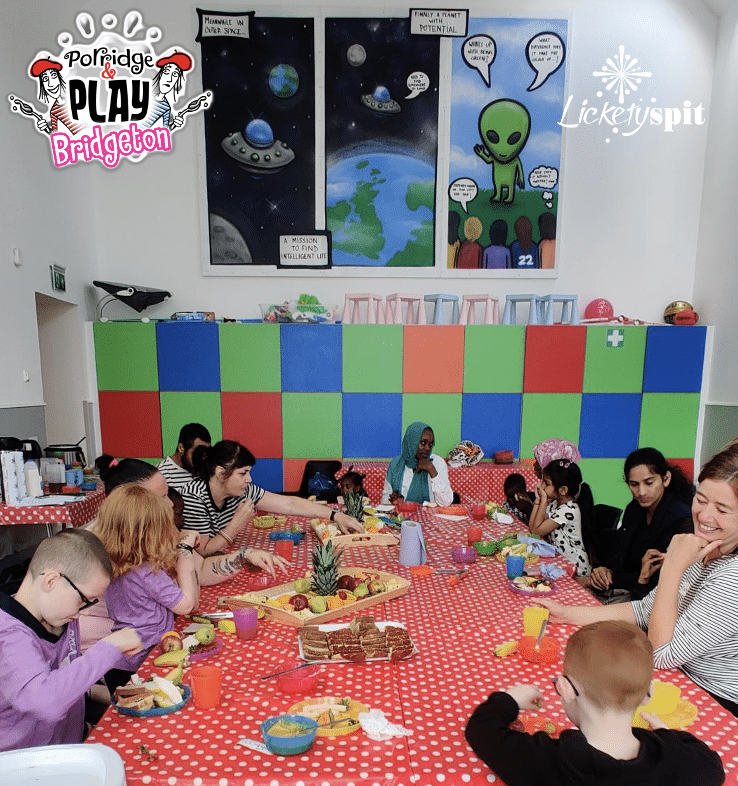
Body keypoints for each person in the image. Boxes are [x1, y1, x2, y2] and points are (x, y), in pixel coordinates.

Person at [535, 442, 738, 717]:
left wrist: (672, 567)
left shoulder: (731, 577)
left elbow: (661, 654)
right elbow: (644, 609)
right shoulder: (703, 547)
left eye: (722, 509)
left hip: (714, 701)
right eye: (701, 500)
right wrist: (567, 613)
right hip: (679, 678)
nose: (704, 515)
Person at [465, 620, 725, 786]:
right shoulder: (681, 764)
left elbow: (481, 730)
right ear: (649, 693)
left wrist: (509, 699)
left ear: (565, 689)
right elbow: (713, 766)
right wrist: (665, 734)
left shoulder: (551, 762)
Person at [0, 529, 142, 751]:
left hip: (70, 743)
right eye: (83, 600)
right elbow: (46, 703)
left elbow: (66, 676)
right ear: (51, 581)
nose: (81, 613)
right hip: (28, 762)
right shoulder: (8, 635)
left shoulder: (60, 616)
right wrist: (109, 647)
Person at [94, 484, 200, 690]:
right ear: (150, 533)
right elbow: (187, 606)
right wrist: (185, 562)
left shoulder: (113, 564)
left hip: (119, 662)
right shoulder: (147, 572)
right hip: (141, 662)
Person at [181, 440, 363, 556]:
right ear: (221, 474)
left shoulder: (242, 490)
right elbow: (203, 551)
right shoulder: (194, 496)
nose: (249, 479)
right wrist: (237, 522)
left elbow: (289, 504)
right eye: (243, 473)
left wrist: (336, 515)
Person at [586, 448, 693, 600]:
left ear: (666, 479)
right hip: (629, 588)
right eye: (634, 484)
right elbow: (622, 554)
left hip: (655, 598)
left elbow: (657, 579)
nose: (641, 492)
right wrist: (604, 570)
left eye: (649, 483)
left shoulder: (680, 519)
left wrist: (613, 578)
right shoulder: (635, 509)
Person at [529, 459, 592, 577]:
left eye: (546, 483)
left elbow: (537, 531)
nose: (541, 486)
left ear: (563, 490)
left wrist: (543, 501)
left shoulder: (568, 510)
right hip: (561, 562)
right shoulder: (555, 504)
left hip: (575, 569)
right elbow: (533, 528)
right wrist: (538, 500)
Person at [381, 422, 453, 506]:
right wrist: (395, 502)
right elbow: (385, 501)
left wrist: (432, 470)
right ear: (411, 442)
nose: (427, 448)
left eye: (430, 444)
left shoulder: (437, 463)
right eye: (423, 443)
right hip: (401, 514)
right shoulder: (396, 465)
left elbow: (446, 502)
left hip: (430, 514)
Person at [157, 422, 212, 490]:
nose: (201, 458)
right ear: (181, 448)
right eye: (197, 453)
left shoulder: (206, 469)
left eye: (205, 453)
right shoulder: (161, 475)